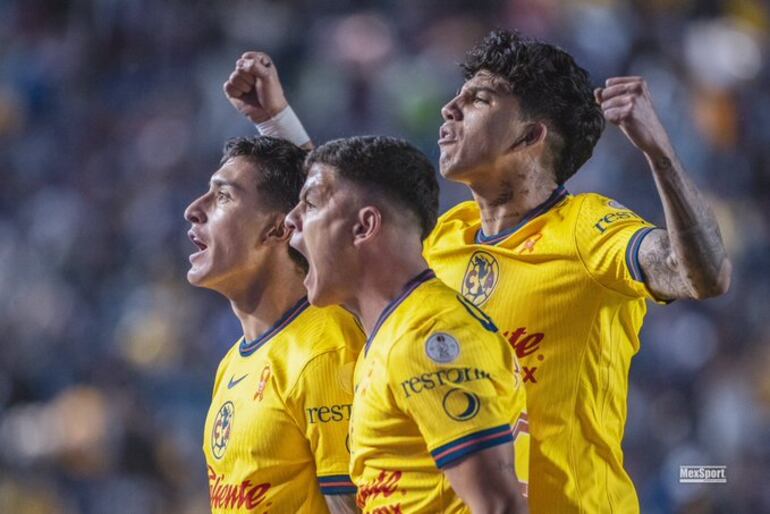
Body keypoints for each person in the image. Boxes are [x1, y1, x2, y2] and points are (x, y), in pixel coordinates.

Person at [225, 29, 731, 513]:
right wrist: (279, 125)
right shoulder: (447, 235)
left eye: (480, 99)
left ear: (531, 135)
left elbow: (703, 276)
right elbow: (347, 223)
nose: (449, 109)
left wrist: (660, 154)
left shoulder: (587, 228)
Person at [285, 136, 529, 513]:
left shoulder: (428, 335)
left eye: (311, 203)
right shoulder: (390, 335)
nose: (290, 220)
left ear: (364, 227)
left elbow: (500, 506)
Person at [184, 136, 364, 513]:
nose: (193, 210)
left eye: (223, 197)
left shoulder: (327, 349)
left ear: (279, 229)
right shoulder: (234, 362)